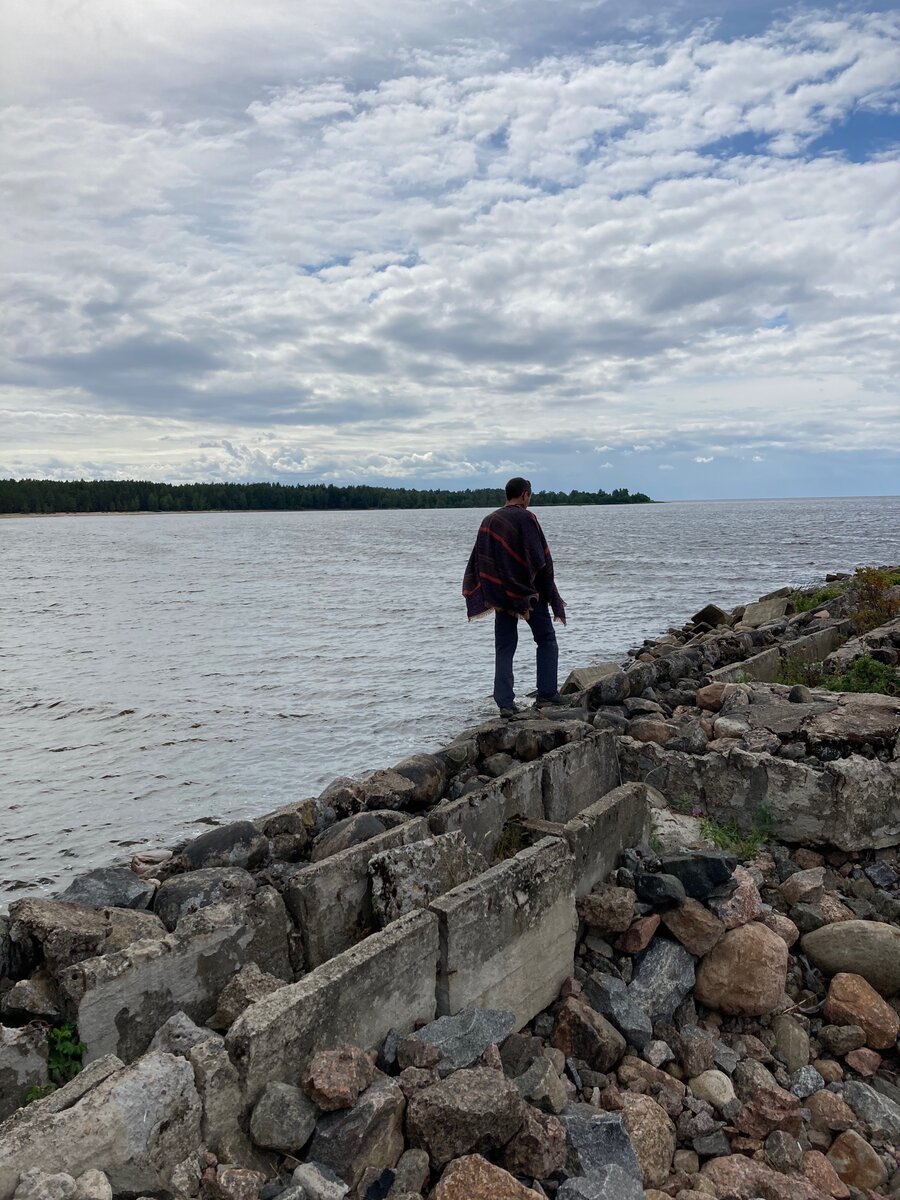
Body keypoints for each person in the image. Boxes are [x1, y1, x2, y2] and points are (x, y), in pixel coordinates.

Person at [462, 477, 567, 716]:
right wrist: (549, 592)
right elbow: (539, 559)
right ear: (524, 495)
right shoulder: (526, 518)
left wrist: (494, 588)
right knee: (546, 639)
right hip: (530, 594)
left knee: (505, 648)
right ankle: (547, 694)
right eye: (529, 496)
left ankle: (505, 704)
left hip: (500, 595)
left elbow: (480, 562)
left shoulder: (488, 521)